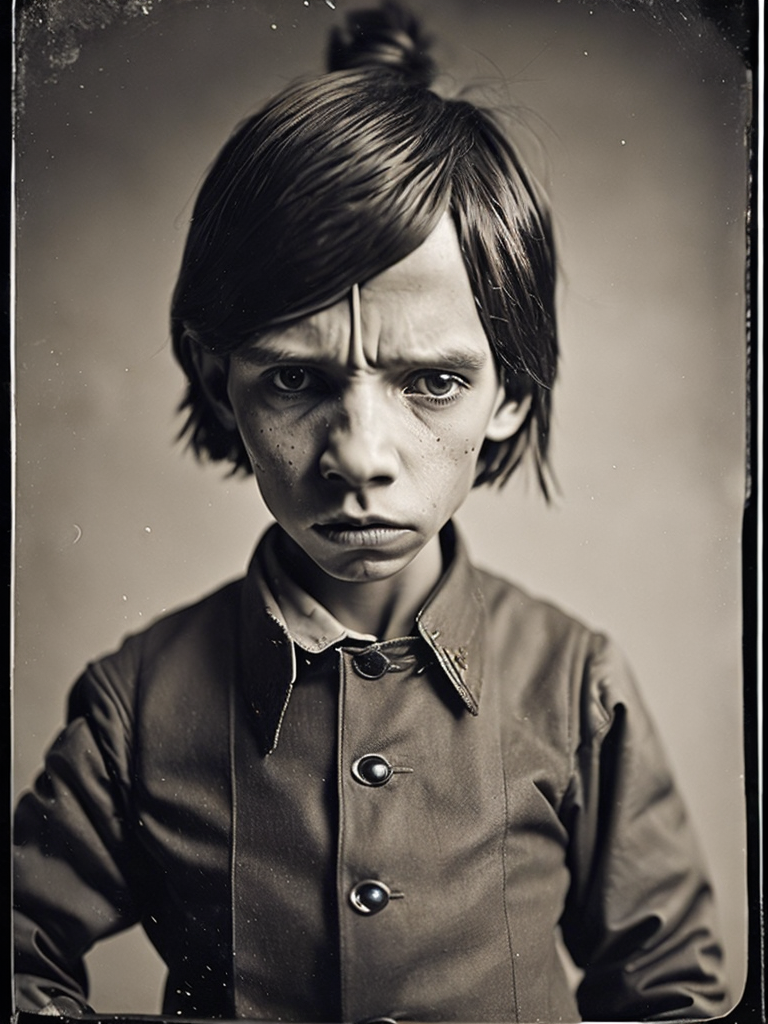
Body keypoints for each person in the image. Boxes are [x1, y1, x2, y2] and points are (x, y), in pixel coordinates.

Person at [13, 3, 729, 1021]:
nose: (359, 457)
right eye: (296, 382)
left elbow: (676, 995)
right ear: (222, 385)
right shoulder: (136, 708)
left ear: (510, 391)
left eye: (432, 379)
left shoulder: (576, 687)